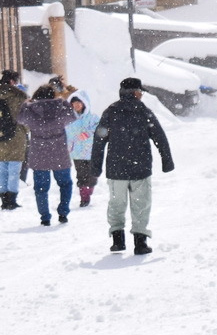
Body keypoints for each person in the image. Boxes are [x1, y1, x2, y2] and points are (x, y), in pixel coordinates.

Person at [93, 76, 175, 255]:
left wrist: (96, 166)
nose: (142, 96)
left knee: (116, 203)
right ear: (136, 93)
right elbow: (159, 136)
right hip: (140, 168)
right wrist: (166, 160)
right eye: (141, 92)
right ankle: (140, 242)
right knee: (141, 204)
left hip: (116, 168)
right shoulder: (144, 111)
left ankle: (117, 239)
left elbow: (99, 138)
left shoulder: (110, 111)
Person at [19, 83, 76, 226]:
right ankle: (63, 212)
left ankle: (45, 217)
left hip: (39, 155)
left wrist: (26, 104)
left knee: (41, 188)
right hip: (59, 155)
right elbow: (72, 116)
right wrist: (63, 101)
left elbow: (20, 118)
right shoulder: (60, 107)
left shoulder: (31, 111)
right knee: (65, 184)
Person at [67, 93, 99, 207]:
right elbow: (66, 133)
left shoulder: (93, 117)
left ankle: (89, 188)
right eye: (74, 103)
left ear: (84, 103)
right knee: (81, 175)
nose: (76, 105)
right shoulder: (69, 119)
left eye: (79, 103)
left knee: (92, 175)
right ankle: (84, 197)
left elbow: (100, 128)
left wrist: (88, 133)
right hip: (77, 152)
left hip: (91, 151)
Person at [0, 67, 25, 210]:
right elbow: (24, 118)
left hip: (0, 138)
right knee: (14, 170)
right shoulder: (19, 96)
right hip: (16, 137)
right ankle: (12, 199)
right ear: (11, 81)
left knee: (2, 168)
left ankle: (4, 200)